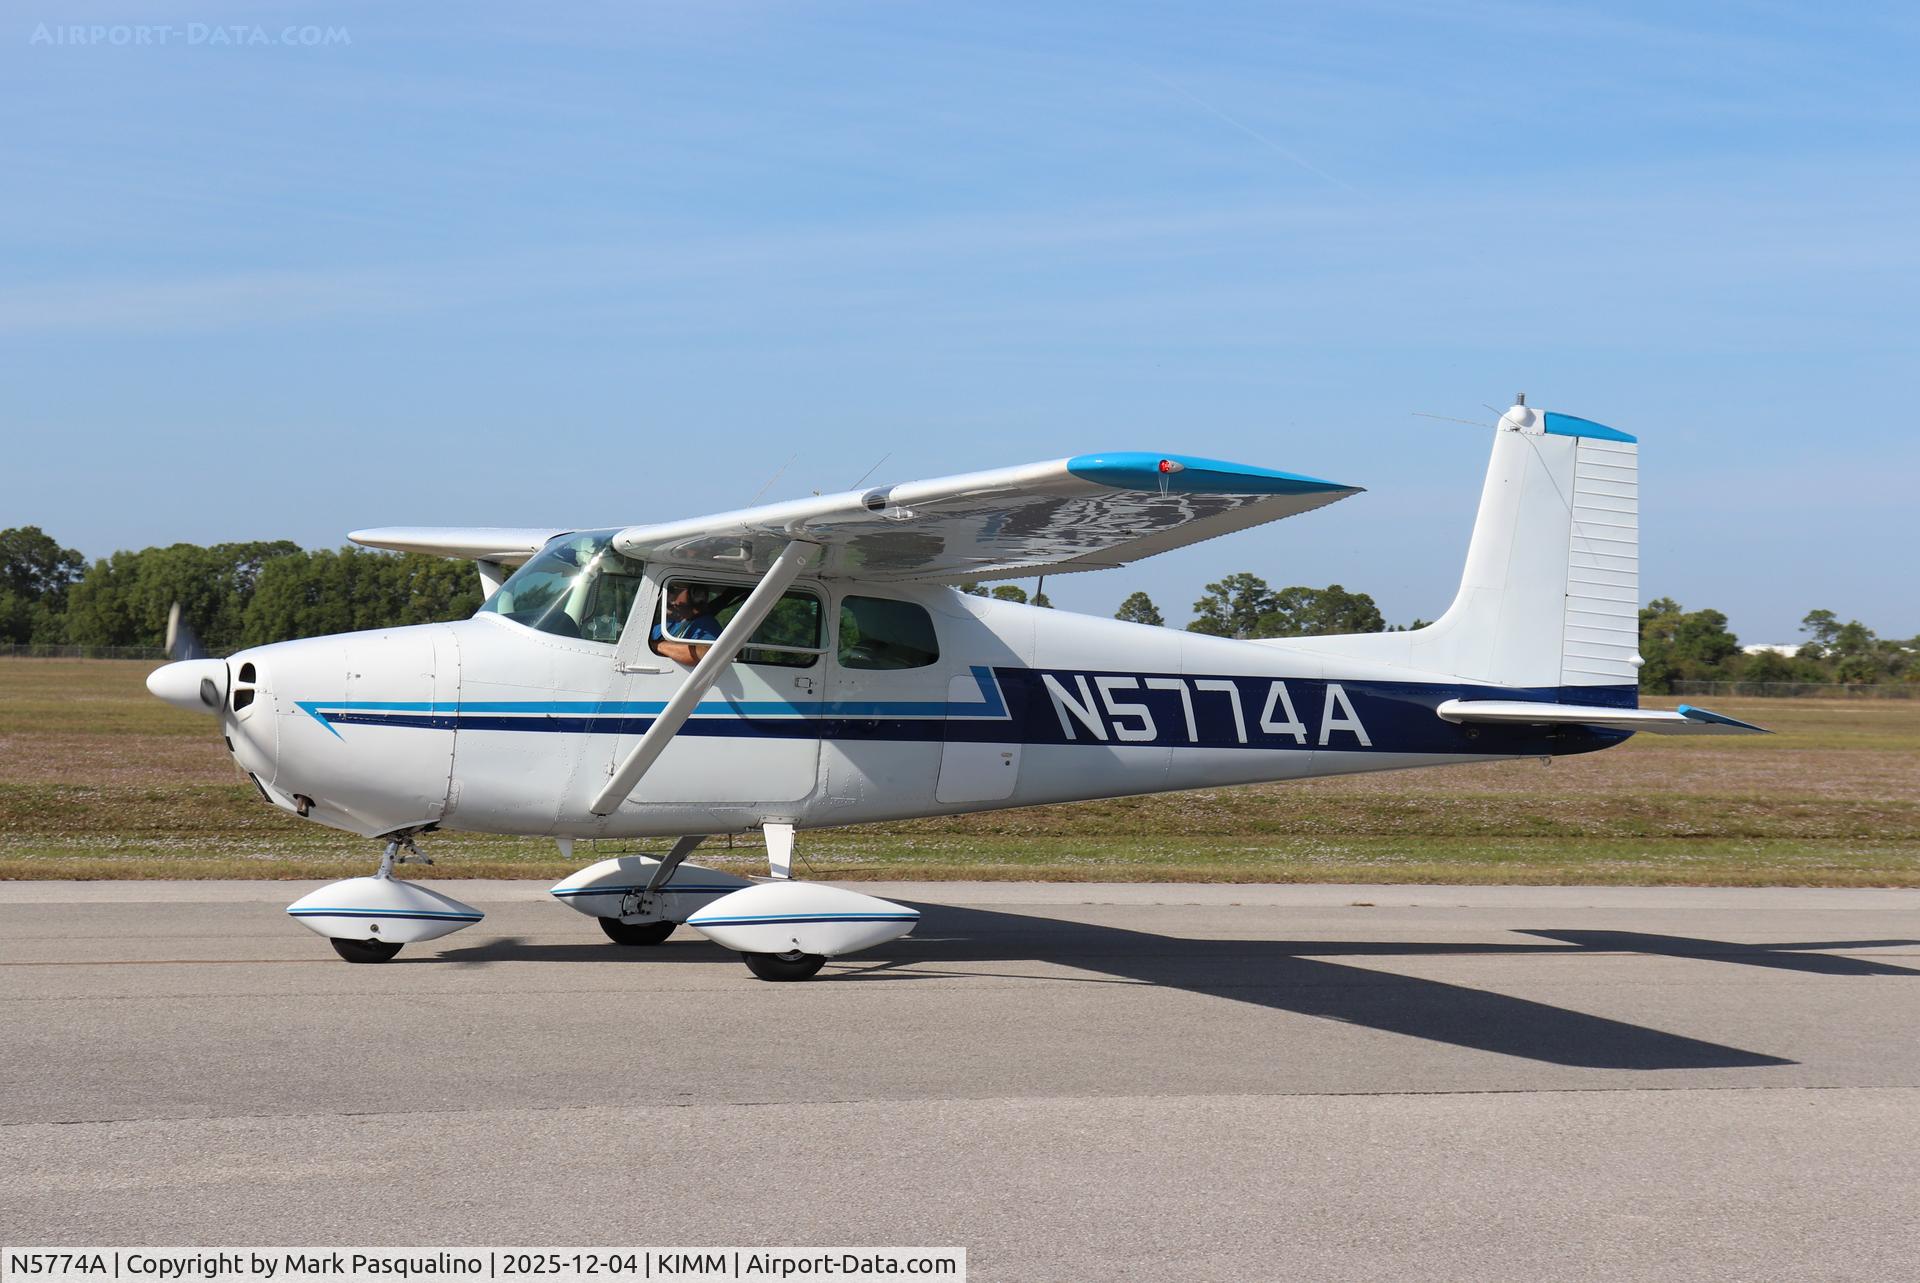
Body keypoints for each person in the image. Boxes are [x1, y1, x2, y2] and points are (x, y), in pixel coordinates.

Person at [650, 582, 724, 664]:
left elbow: (702, 654)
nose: (667, 595)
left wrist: (657, 645)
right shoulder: (671, 625)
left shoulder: (707, 626)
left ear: (696, 596)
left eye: (672, 590)